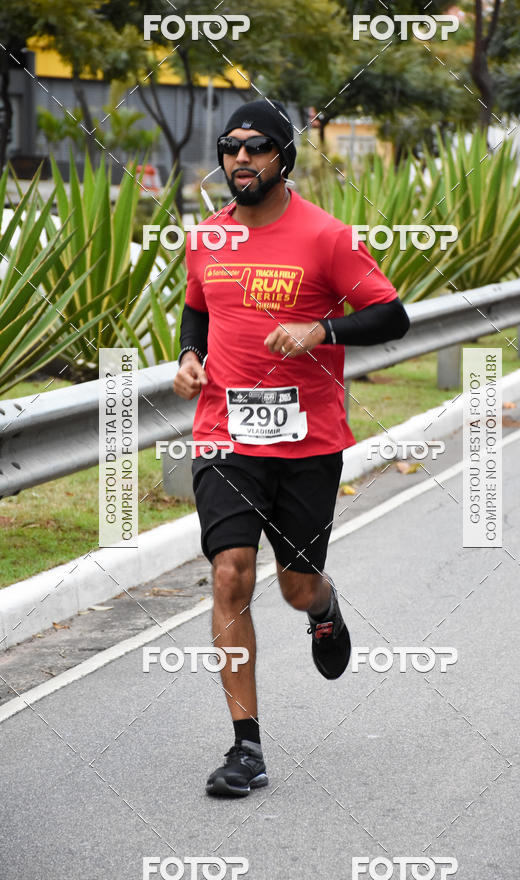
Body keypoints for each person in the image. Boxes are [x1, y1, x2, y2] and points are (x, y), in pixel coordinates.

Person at [173, 99, 410, 797]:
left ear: (284, 158)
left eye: (256, 148)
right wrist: (189, 355)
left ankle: (324, 608)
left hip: (307, 441)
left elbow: (391, 312)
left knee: (295, 583)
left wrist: (321, 332)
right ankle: (246, 748)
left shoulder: (327, 237)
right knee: (231, 573)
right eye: (230, 148)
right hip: (225, 433)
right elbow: (197, 306)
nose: (240, 159)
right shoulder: (207, 239)